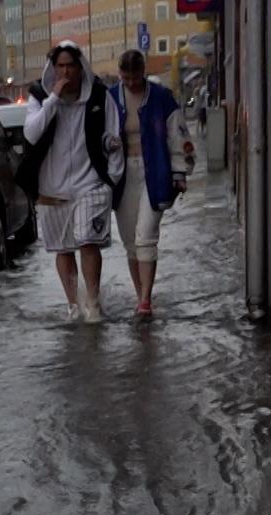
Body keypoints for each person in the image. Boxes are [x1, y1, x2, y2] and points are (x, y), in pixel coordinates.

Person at [18, 42, 125, 323]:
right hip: (51, 188)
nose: (65, 72)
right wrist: (52, 99)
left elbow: (114, 138)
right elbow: (30, 133)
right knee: (63, 248)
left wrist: (111, 180)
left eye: (71, 66)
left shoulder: (99, 96)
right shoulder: (40, 96)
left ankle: (92, 302)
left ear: (80, 68)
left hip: (90, 183)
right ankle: (73, 305)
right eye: (60, 67)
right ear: (53, 69)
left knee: (88, 242)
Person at [112, 52, 193, 317]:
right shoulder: (112, 98)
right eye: (126, 78)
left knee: (146, 235)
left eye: (136, 77)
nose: (132, 83)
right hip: (123, 175)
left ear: (144, 72)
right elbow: (99, 134)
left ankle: (146, 300)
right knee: (130, 242)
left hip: (155, 172)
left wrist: (180, 173)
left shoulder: (161, 98)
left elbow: (177, 135)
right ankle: (140, 296)